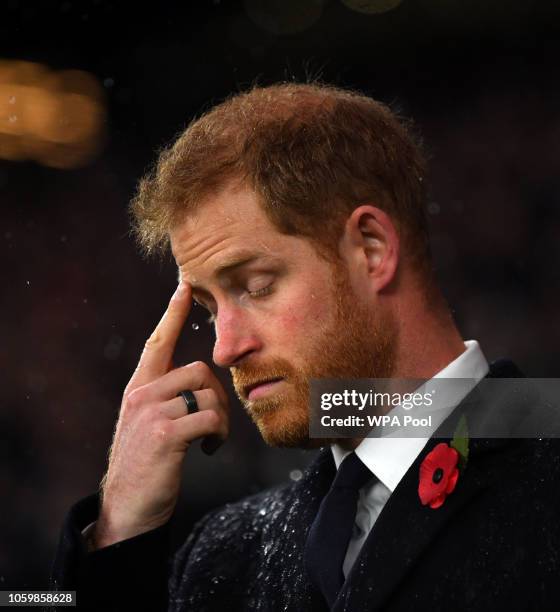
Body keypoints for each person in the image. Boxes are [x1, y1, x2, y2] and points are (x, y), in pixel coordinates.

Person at [50, 82, 560, 611]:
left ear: (372, 248)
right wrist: (119, 534)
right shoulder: (221, 554)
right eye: (209, 307)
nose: (223, 348)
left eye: (256, 285)